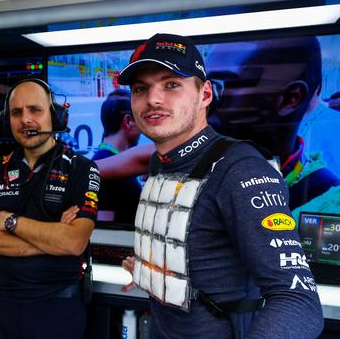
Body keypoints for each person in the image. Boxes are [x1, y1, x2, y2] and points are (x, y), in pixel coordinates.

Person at [120, 33, 323, 338]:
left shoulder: (241, 170)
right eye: (141, 89)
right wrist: (153, 269)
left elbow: (297, 300)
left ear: (205, 94)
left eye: (172, 84)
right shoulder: (161, 161)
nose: (153, 99)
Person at [0, 78, 100, 339]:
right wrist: (52, 239)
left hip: (57, 305)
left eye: (35, 110)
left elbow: (74, 243)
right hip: (0, 303)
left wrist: (10, 222)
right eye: (16, 113)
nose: (25, 120)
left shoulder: (82, 168)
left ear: (55, 116)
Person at [206, 37, 340, 219]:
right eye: (202, 88)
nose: (204, 102)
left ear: (291, 99)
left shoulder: (326, 203)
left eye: (218, 87)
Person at [92, 89, 142, 223]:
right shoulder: (105, 165)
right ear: (128, 121)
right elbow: (103, 225)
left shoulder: (108, 160)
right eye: (140, 119)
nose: (143, 129)